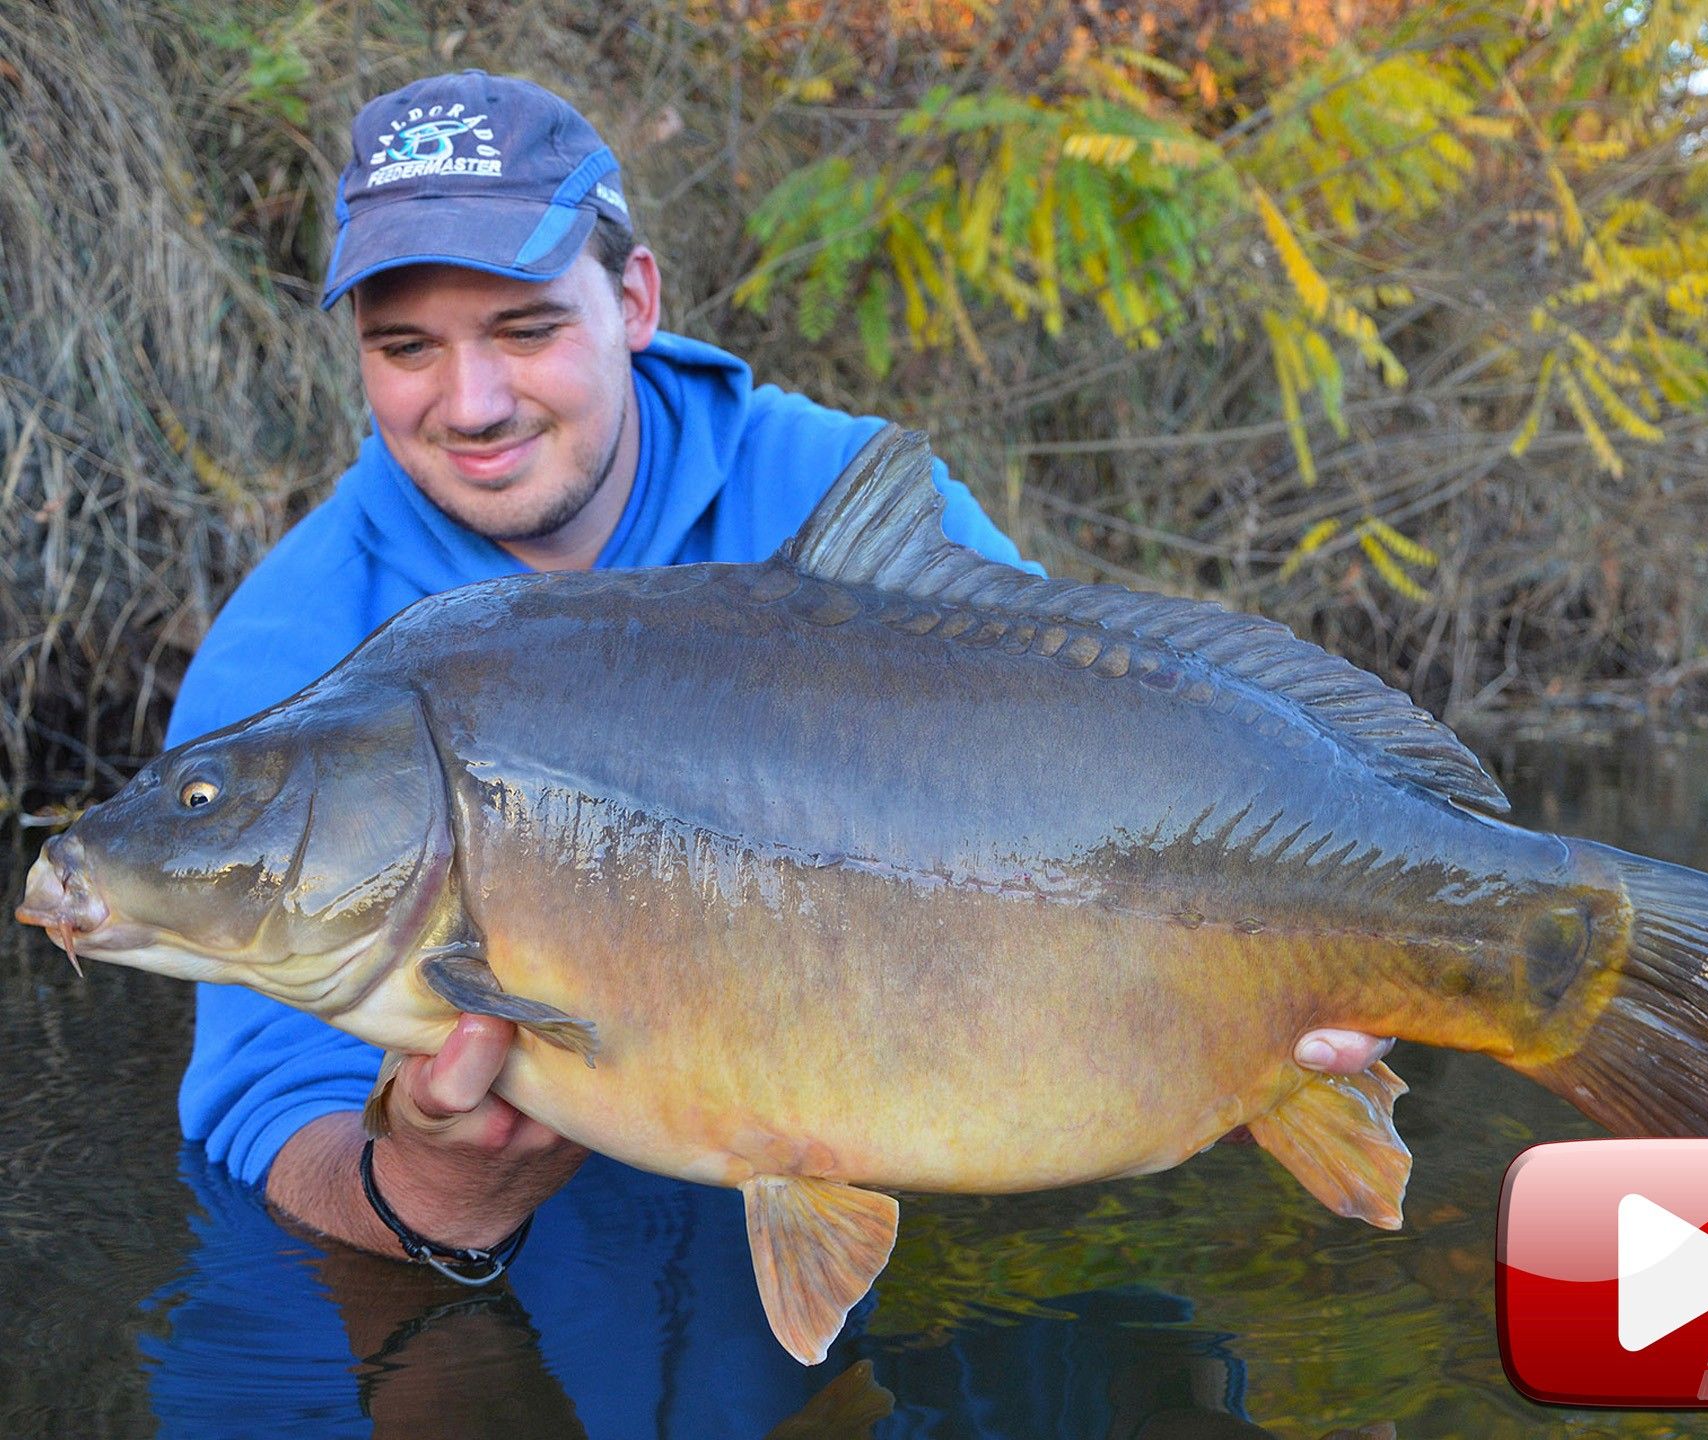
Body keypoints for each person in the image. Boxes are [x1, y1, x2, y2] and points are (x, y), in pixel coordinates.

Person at [166, 70, 1394, 1282]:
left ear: (632, 297)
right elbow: (268, 1121)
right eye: (406, 348)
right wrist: (439, 1193)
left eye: (526, 329)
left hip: (903, 1253)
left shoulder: (825, 498)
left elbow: (1087, 769)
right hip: (540, 1302)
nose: (473, 401)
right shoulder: (291, 661)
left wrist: (1279, 973)